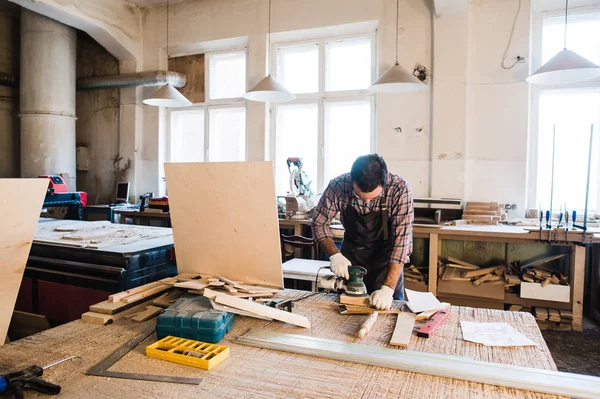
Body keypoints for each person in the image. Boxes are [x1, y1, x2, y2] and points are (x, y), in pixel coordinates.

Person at [311, 154, 414, 310]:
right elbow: (319, 223)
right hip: (352, 258)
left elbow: (401, 246)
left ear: (384, 183)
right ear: (352, 181)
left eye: (373, 198)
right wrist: (334, 254)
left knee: (387, 315)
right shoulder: (339, 186)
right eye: (360, 196)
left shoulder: (400, 190)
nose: (366, 202)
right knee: (344, 312)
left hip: (386, 263)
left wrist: (387, 289)